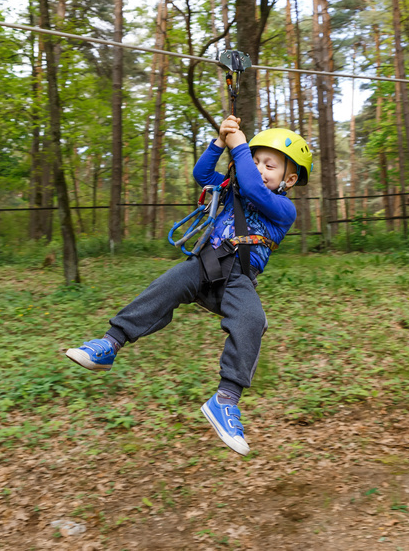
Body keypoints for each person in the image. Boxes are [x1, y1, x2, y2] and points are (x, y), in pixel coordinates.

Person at [65, 115, 313, 455]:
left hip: (238, 279)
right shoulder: (233, 188)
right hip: (205, 263)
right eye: (254, 161)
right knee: (165, 286)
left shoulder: (284, 208)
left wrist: (239, 146)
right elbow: (202, 176)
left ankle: (225, 400)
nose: (257, 169)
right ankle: (110, 344)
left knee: (251, 321)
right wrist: (219, 142)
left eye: (268, 165)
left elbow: (255, 188)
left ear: (290, 178)